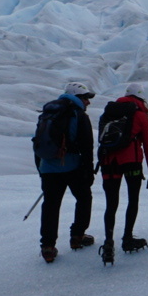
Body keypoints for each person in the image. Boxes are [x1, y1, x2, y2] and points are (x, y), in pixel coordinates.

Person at [33, 81, 96, 263]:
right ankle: (77, 236)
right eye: (85, 98)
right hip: (72, 166)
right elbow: (87, 146)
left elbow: (38, 142)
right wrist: (88, 171)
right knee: (84, 198)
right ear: (77, 97)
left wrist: (41, 169)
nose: (88, 102)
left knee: (51, 205)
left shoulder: (48, 113)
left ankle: (48, 246)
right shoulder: (78, 115)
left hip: (48, 167)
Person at [96, 82, 148, 264]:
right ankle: (127, 239)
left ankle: (108, 243)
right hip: (131, 162)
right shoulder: (140, 115)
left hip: (109, 162)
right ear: (141, 98)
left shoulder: (108, 112)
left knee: (111, 203)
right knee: (132, 200)